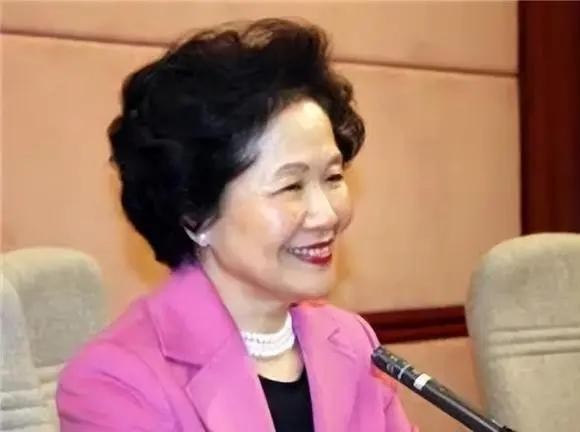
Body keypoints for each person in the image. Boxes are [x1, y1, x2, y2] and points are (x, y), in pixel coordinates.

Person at [56, 18, 418, 432]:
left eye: (333, 177)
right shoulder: (115, 382)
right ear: (196, 215)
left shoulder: (353, 341)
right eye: (291, 186)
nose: (327, 214)